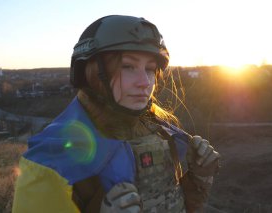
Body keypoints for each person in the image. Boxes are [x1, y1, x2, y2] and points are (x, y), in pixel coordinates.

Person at [12, 15, 220, 213]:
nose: (145, 83)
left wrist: (200, 175)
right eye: (128, 66)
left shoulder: (160, 132)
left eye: (149, 69)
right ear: (92, 72)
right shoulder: (50, 160)